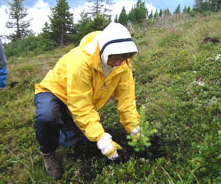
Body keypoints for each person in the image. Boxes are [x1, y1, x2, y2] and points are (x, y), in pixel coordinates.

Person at [33, 22, 141, 180]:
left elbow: (127, 102)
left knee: (74, 143)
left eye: (123, 58)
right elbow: (81, 106)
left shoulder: (123, 66)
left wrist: (134, 128)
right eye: (115, 58)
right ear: (105, 51)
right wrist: (101, 138)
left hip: (78, 101)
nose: (119, 63)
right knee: (48, 117)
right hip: (54, 92)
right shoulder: (81, 61)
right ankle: (48, 152)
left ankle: (62, 128)